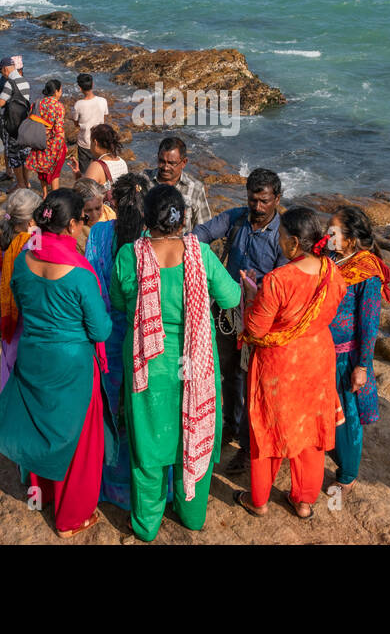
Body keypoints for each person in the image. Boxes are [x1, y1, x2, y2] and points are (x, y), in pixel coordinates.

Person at [110, 184, 241, 541]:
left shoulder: (128, 255)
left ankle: (147, 525)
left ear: (146, 219)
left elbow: (121, 304)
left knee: (148, 445)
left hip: (148, 366)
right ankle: (191, 515)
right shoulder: (201, 255)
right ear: (182, 218)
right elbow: (231, 296)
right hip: (195, 366)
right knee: (194, 435)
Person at [0, 190, 113, 539]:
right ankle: (71, 517)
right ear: (71, 225)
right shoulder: (81, 274)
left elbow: (20, 298)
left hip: (34, 352)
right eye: (80, 221)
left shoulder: (23, 260)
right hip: (71, 364)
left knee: (41, 427)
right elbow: (100, 328)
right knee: (80, 439)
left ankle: (41, 495)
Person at [235, 206, 346, 520]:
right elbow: (327, 311)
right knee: (310, 431)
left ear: (295, 243)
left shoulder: (278, 280)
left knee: (267, 429)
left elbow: (256, 329)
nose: (278, 242)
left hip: (279, 362)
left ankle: (258, 500)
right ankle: (304, 500)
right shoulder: (332, 272)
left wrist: (251, 293)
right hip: (316, 357)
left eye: (282, 237)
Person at [191, 167, 285, 470]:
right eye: (252, 200)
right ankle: (230, 424)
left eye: (264, 202)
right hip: (227, 313)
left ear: (277, 199)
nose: (257, 208)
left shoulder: (283, 236)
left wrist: (258, 287)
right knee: (227, 371)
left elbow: (286, 280)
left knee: (252, 381)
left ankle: (248, 447)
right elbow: (202, 233)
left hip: (262, 318)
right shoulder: (235, 218)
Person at [85, 171, 153, 510]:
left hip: (106, 337)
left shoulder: (97, 233)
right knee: (141, 409)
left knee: (110, 408)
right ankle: (144, 485)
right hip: (144, 339)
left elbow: (90, 283)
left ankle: (107, 481)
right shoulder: (154, 242)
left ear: (112, 200)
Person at [324, 205, 390, 495]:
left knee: (347, 415)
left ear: (349, 240)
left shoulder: (366, 272)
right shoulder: (330, 260)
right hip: (321, 351)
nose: (326, 234)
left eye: (332, 232)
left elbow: (369, 323)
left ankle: (347, 473)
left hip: (345, 358)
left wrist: (362, 366)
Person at [0, 188, 43, 389]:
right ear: (31, 221)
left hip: (6, 311)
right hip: (25, 316)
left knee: (8, 359)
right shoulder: (31, 245)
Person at [0, 56, 31, 192]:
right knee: (25, 154)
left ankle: (20, 184)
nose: (2, 74)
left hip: (12, 124)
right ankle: (26, 182)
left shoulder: (9, 83)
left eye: (1, 71)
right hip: (24, 123)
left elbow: (1, 103)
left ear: (5, 69)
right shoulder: (25, 82)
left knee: (13, 154)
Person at [156, 137, 211, 232]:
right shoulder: (143, 181)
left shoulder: (195, 189)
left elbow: (205, 230)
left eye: (171, 163)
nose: (165, 168)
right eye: (162, 161)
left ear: (184, 162)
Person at [26, 79, 68, 195]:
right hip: (53, 143)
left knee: (42, 170)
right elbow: (59, 129)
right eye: (61, 90)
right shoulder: (58, 106)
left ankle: (44, 194)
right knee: (55, 172)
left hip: (39, 140)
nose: (61, 93)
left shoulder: (37, 103)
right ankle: (54, 196)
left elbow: (31, 119)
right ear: (56, 91)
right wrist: (62, 145)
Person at [69, 73, 108, 175]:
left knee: (85, 173)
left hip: (84, 142)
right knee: (100, 170)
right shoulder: (103, 101)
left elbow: (76, 123)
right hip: (99, 141)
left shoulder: (78, 105)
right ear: (93, 84)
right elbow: (104, 119)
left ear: (80, 88)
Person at [81, 123, 128, 194]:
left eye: (90, 142)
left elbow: (84, 195)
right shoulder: (122, 162)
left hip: (104, 205)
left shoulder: (96, 166)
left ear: (95, 143)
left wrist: (78, 179)